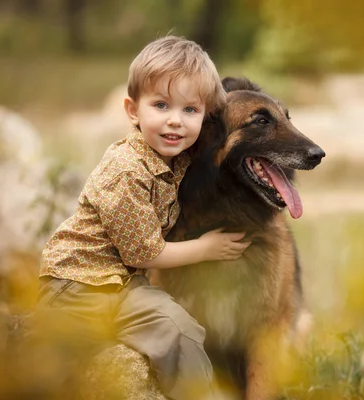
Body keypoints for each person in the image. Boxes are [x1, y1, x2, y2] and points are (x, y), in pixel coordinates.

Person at [33, 35, 250, 399]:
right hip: (75, 285)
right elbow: (145, 255)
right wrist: (208, 248)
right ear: (133, 111)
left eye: (189, 110)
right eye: (161, 105)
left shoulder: (176, 156)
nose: (175, 122)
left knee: (180, 330)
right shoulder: (126, 171)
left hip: (125, 287)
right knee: (57, 365)